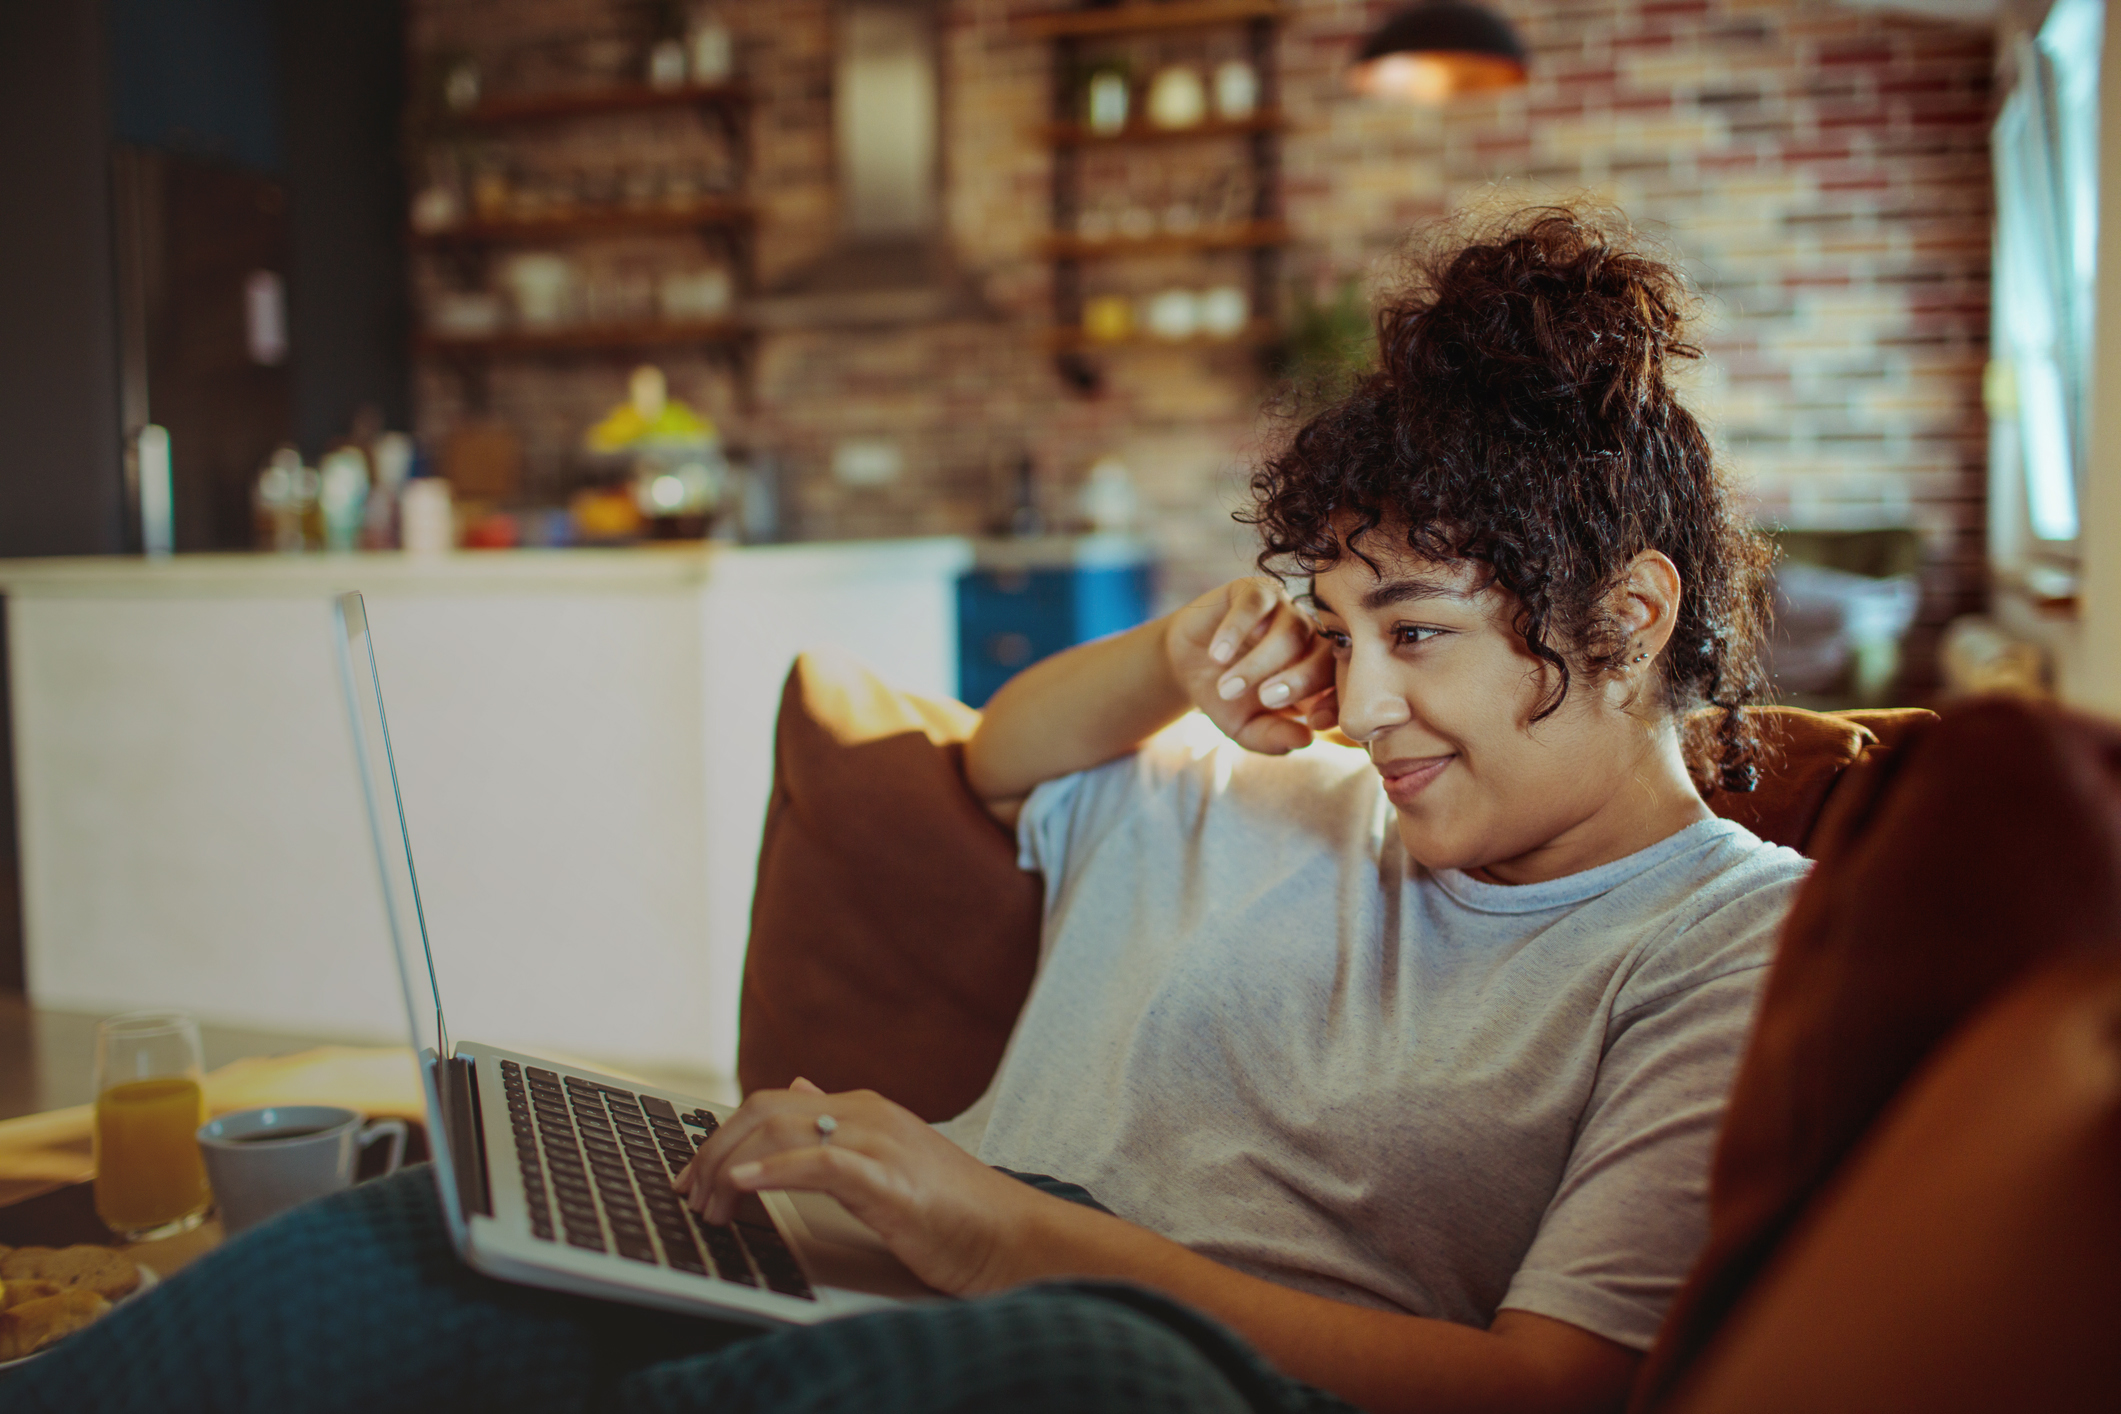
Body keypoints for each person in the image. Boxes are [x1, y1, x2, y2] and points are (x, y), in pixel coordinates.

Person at [9, 208, 1805, 1414]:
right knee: (431, 1234)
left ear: (1627, 620)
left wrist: (1009, 1231)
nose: (1366, 699)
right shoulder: (1275, 783)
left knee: (1063, 1363)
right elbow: (993, 763)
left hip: (1149, 1360)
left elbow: (1554, 1384)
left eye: (1415, 635)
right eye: (1339, 632)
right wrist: (1181, 656)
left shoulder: (1727, 935)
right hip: (883, 1269)